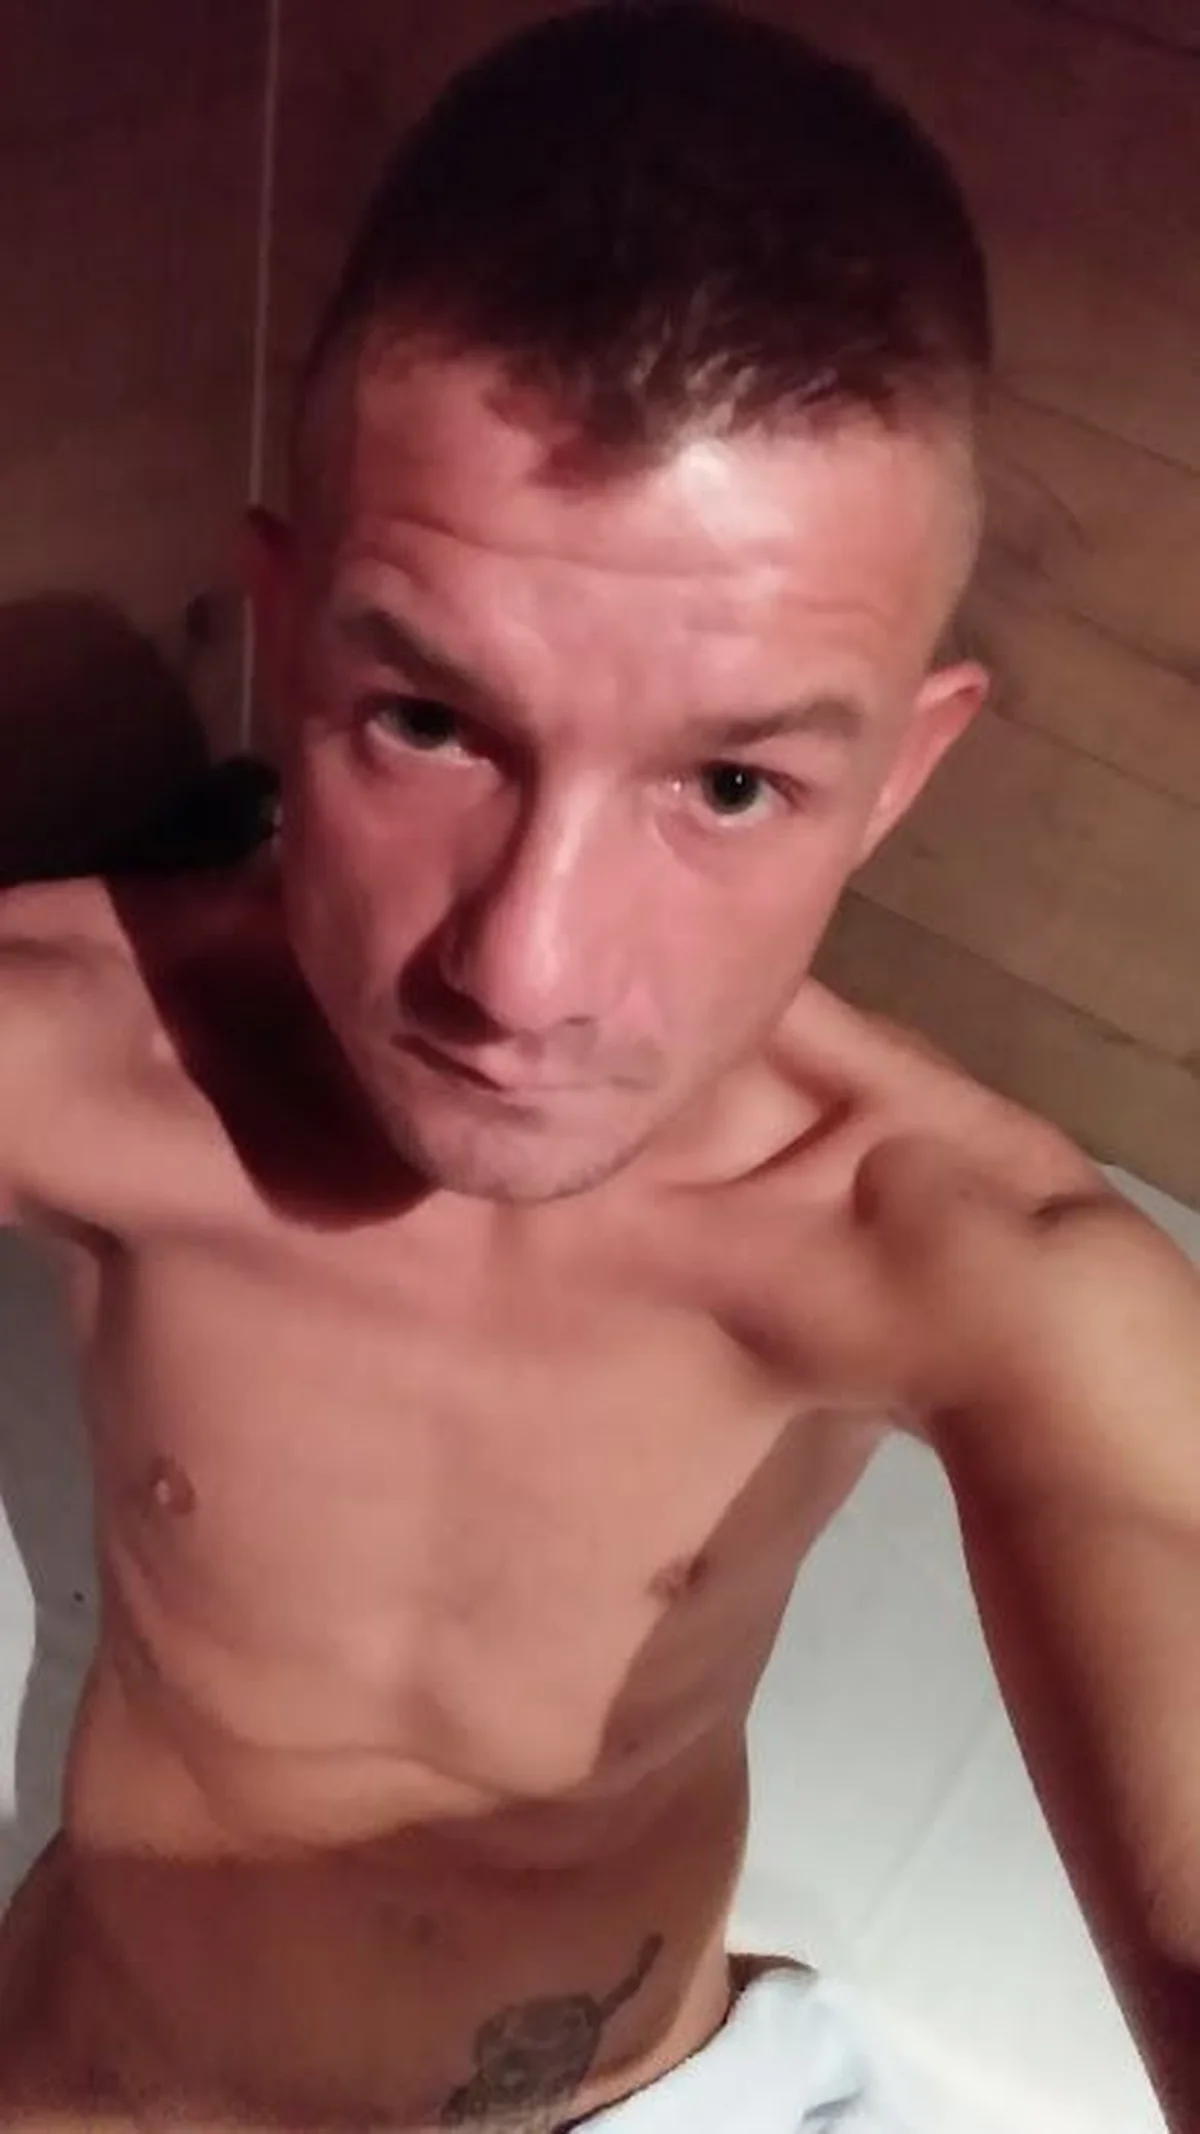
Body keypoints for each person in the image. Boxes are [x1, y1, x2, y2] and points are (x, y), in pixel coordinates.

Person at [0, 4, 1196, 2128]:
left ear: (898, 774)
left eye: (729, 782)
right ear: (285, 631)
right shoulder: (77, 1053)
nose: (524, 973)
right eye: (429, 723)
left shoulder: (952, 1256)